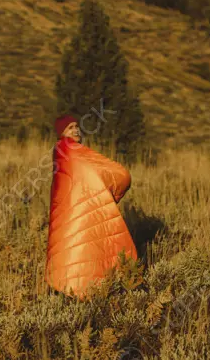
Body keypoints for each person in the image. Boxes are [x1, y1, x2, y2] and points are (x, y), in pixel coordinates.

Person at [45, 114, 138, 297]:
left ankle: (73, 294)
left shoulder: (65, 151)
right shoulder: (69, 149)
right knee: (89, 248)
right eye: (70, 127)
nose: (76, 129)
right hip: (76, 210)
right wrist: (111, 192)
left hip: (76, 211)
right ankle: (91, 293)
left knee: (77, 249)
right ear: (61, 132)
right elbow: (120, 174)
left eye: (77, 126)